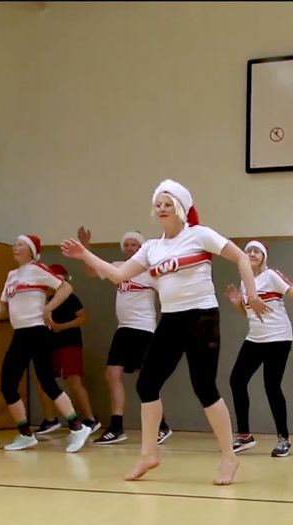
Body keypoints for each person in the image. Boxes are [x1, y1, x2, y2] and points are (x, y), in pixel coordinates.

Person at [60, 179, 267, 485]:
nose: (162, 209)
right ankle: (148, 455)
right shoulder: (151, 248)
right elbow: (118, 274)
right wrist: (84, 255)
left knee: (205, 388)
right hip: (170, 320)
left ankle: (228, 457)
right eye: (158, 205)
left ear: (182, 208)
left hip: (202, 318)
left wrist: (251, 295)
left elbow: (239, 256)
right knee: (147, 384)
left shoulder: (200, 235)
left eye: (168, 204)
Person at [71, 227, 173, 446]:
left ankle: (162, 426)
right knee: (112, 374)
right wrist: (85, 246)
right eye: (126, 244)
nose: (129, 248)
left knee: (145, 380)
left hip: (144, 329)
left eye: (134, 244)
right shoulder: (118, 268)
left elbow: (168, 289)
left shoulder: (150, 271)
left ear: (141, 247)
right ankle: (116, 427)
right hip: (124, 329)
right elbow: (91, 271)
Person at [0, 236, 93, 453]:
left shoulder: (38, 269)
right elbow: (3, 302)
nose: (15, 247)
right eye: (14, 243)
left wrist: (49, 308)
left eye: (20, 244)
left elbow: (65, 287)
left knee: (47, 381)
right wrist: (1, 308)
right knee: (7, 384)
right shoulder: (11, 275)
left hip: (37, 331)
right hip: (19, 334)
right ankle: (25, 434)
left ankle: (77, 427)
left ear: (30, 251)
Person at [223, 240, 293, 458]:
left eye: (257, 251)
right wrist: (237, 303)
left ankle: (284, 439)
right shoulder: (246, 282)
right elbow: (251, 314)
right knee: (237, 380)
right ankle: (244, 436)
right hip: (255, 338)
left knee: (271, 386)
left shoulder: (272, 275)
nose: (252, 254)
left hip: (278, 338)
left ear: (264, 256)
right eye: (248, 251)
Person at [31, 263, 100, 435]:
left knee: (73, 381)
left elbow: (83, 317)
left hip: (69, 343)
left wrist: (62, 327)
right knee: (42, 382)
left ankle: (90, 419)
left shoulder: (70, 298)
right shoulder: (42, 300)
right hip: (48, 345)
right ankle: (50, 419)